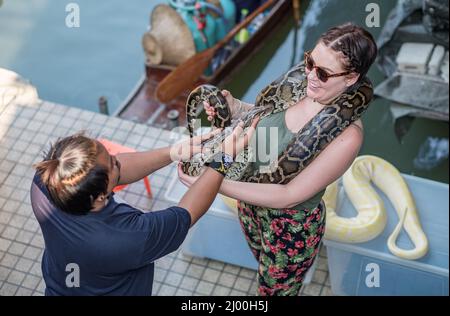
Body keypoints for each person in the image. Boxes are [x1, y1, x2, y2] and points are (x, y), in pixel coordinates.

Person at [178, 22, 378, 296]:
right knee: (261, 266)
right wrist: (236, 108)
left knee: (273, 292)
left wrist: (212, 181)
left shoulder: (347, 135)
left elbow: (289, 194)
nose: (310, 75)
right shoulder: (301, 86)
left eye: (322, 72)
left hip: (288, 230)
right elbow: (268, 118)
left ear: (351, 78)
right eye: (309, 62)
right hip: (249, 206)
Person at [30, 118, 258, 296]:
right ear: (100, 197)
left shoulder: (48, 182)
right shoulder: (126, 237)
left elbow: (117, 168)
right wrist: (225, 159)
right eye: (113, 163)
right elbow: (187, 213)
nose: (117, 158)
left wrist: (173, 152)